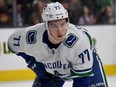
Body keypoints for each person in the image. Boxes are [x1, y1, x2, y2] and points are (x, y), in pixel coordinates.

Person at [8, 2, 108, 87]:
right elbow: (11, 43)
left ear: (67, 22)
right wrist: (32, 61)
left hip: (87, 68)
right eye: (54, 26)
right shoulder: (32, 37)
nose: (60, 30)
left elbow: (82, 80)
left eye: (62, 24)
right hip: (51, 72)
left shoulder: (80, 41)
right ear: (46, 25)